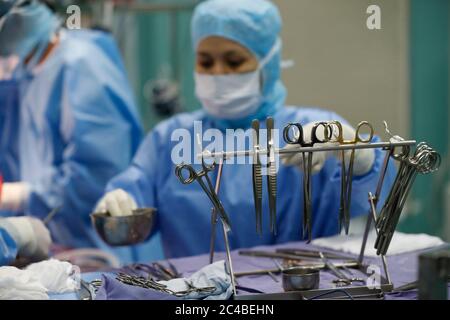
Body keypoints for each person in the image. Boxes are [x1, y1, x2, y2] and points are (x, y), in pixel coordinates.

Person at [96, 0, 396, 260]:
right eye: (205, 61)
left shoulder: (310, 130)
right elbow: (134, 197)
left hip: (297, 289)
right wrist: (118, 205)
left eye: (234, 61)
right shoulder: (171, 138)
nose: (218, 73)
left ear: (268, 63)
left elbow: (377, 200)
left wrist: (362, 159)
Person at [0, 0, 143, 258]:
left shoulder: (81, 65)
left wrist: (23, 195)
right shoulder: (26, 73)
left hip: (93, 247)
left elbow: (98, 176)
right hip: (50, 244)